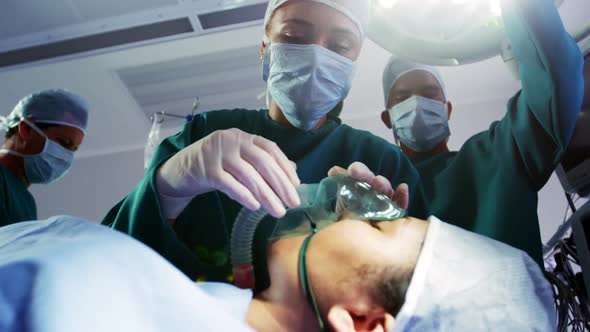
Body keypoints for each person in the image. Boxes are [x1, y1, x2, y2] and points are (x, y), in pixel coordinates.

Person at [102, 0, 429, 284]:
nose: (317, 54)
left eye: (340, 46)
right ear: (265, 49)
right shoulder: (205, 134)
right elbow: (107, 257)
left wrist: (386, 244)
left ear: (354, 62)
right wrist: (168, 187)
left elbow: (425, 291)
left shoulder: (381, 162)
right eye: (295, 36)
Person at [1, 213, 554, 331]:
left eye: (381, 227)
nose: (352, 209)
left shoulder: (86, 297)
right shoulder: (192, 301)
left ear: (363, 324)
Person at [379, 0, 584, 265]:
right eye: (402, 97)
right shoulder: (379, 188)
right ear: (387, 118)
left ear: (447, 108)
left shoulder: (500, 154)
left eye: (429, 93)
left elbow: (556, 79)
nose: (416, 102)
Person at [0, 89, 89, 227]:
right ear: (26, 129)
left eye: (73, 150)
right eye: (64, 143)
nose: (67, 157)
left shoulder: (27, 203)